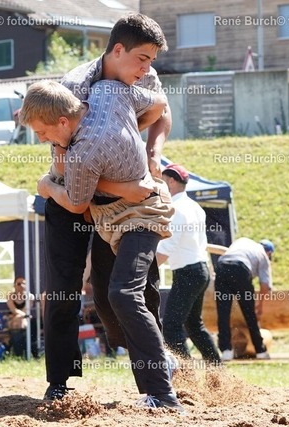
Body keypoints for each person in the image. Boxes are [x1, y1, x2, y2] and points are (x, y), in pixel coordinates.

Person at [30, 13, 172, 404]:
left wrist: (150, 153)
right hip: (70, 190)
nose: (147, 68)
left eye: (151, 61)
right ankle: (60, 381)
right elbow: (65, 163)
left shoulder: (142, 76)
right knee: (63, 288)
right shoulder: (74, 86)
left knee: (128, 292)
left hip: (121, 203)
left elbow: (162, 111)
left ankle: (158, 372)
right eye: (142, 59)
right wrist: (119, 179)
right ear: (118, 50)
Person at [156, 164, 221, 365]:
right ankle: (217, 370)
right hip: (199, 269)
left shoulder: (176, 209)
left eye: (162, 181)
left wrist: (143, 272)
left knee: (171, 326)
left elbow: (167, 247)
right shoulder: (194, 207)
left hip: (188, 272)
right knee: (194, 325)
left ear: (171, 181)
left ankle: (186, 373)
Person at [215, 238, 274, 361]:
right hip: (241, 269)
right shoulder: (263, 255)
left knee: (223, 313)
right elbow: (265, 285)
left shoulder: (242, 242)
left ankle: (226, 351)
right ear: (269, 252)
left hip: (221, 266)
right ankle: (260, 351)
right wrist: (259, 306)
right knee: (249, 314)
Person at [6, 277, 38, 358]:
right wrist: (20, 316)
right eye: (18, 284)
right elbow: (13, 310)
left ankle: (19, 353)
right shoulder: (10, 296)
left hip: (23, 320)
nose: (21, 286)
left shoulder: (30, 296)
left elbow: (26, 310)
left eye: (23, 283)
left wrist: (20, 316)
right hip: (12, 320)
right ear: (14, 285)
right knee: (17, 323)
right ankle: (20, 353)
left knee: (19, 323)